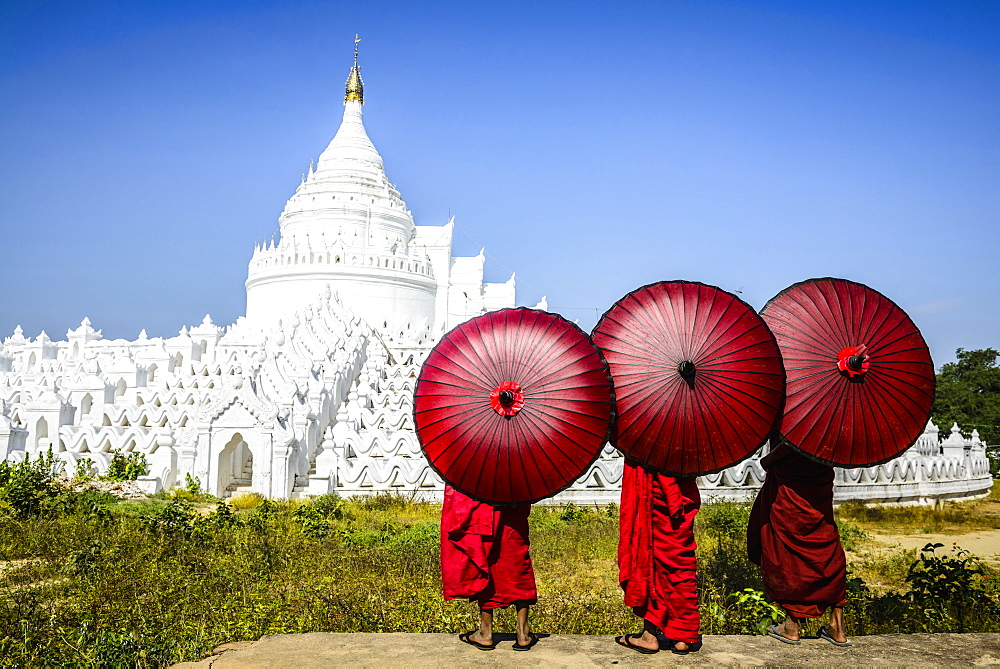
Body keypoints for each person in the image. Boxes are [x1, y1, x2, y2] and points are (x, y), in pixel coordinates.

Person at [747, 440, 852, 647]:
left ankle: (791, 625)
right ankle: (837, 627)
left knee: (788, 551)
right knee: (826, 546)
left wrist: (767, 460)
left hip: (790, 484)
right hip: (818, 480)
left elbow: (795, 440)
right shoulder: (832, 413)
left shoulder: (795, 411)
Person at [616, 457, 702, 655]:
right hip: (682, 490)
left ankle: (649, 635)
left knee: (647, 558)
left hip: (651, 487)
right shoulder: (693, 433)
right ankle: (682, 637)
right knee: (680, 565)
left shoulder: (646, 432)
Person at [440, 483, 538, 651]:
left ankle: (486, 633)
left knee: (487, 564)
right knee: (518, 565)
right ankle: (523, 634)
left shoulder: (476, 464)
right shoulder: (520, 463)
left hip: (483, 508)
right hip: (515, 503)